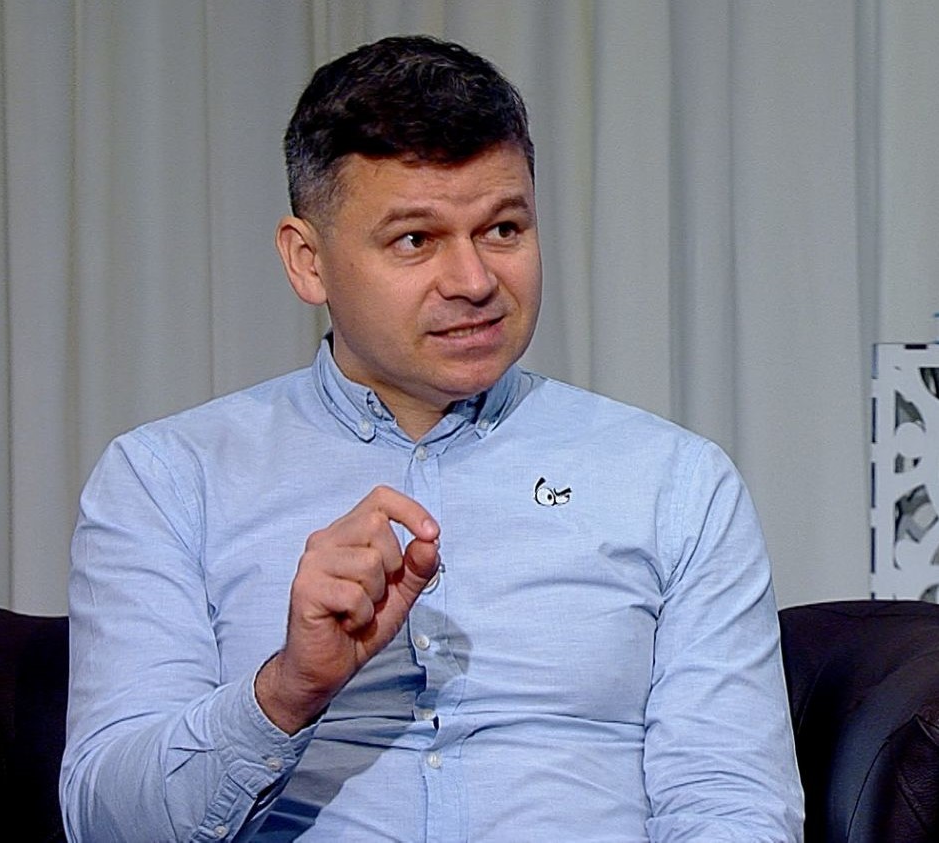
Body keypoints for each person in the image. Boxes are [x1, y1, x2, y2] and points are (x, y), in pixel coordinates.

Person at [60, 34, 804, 842]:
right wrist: (288, 691)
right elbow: (106, 820)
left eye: (504, 229)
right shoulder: (168, 478)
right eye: (416, 240)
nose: (475, 281)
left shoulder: (674, 482)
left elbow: (732, 805)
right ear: (308, 261)